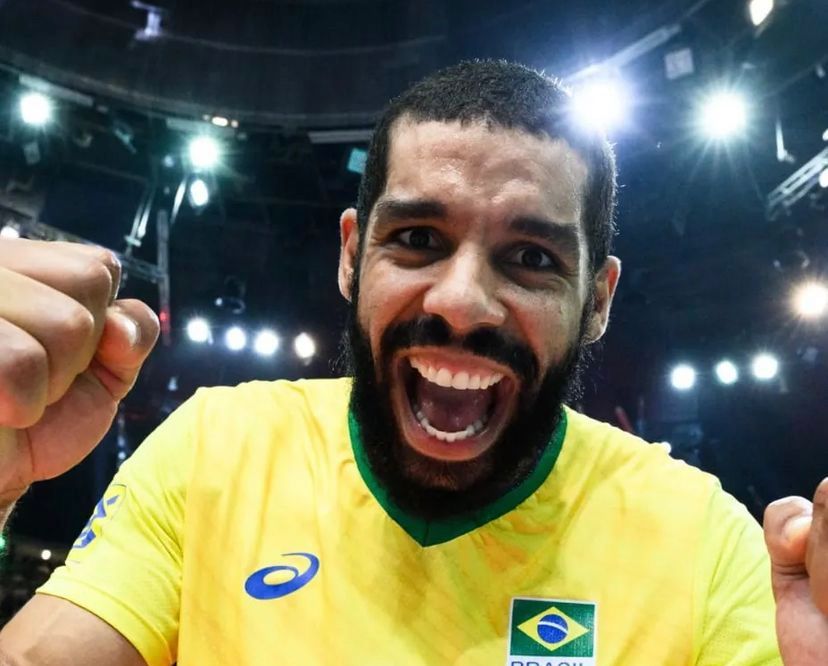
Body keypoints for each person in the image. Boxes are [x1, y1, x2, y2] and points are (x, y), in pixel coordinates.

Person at [0, 60, 826, 666]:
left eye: (532, 258)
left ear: (598, 300)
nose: (461, 303)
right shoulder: (216, 449)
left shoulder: (700, 540)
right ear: (352, 256)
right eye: (419, 239)